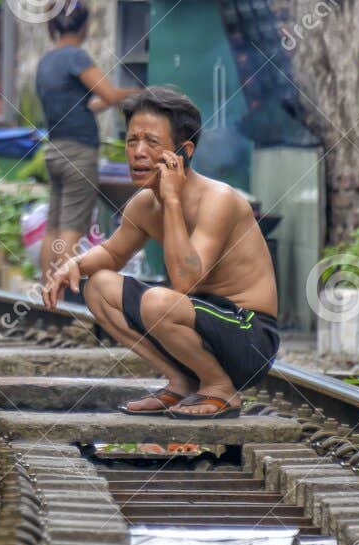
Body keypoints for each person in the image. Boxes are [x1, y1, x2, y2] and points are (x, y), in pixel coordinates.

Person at [42, 86, 279, 419]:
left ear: (184, 151)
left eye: (151, 142)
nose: (138, 152)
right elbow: (112, 255)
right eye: (131, 141)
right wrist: (73, 265)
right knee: (98, 286)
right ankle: (181, 382)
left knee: (157, 301)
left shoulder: (218, 200)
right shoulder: (143, 204)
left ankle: (220, 389)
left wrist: (172, 200)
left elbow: (185, 281)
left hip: (248, 334)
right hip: (196, 324)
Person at [33, 0, 139, 280]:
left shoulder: (46, 61)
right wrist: (145, 93)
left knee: (53, 228)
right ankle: (64, 293)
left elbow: (89, 103)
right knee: (72, 229)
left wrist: (107, 100)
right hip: (78, 154)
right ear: (83, 26)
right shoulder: (75, 57)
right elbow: (111, 95)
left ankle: (47, 290)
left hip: (54, 151)